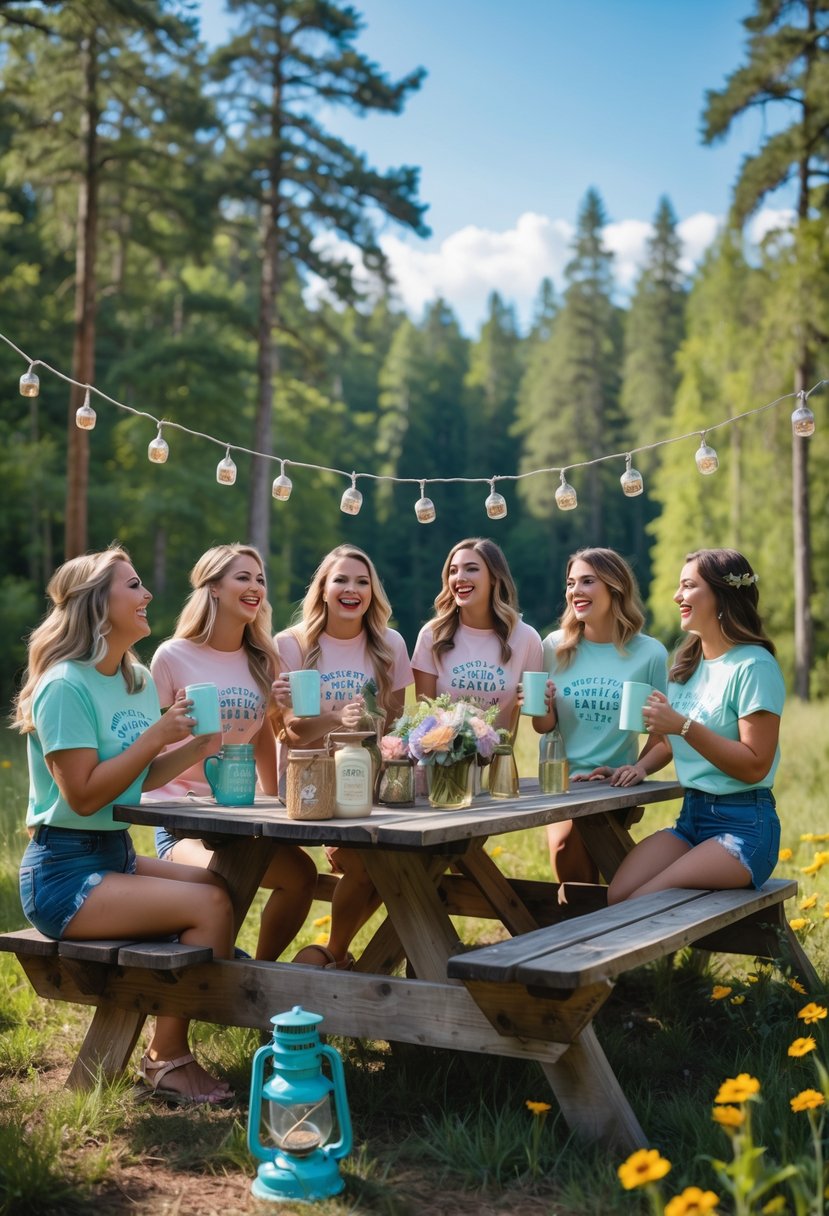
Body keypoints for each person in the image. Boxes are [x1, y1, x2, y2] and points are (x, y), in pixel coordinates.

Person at [13, 546, 235, 1104]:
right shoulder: (65, 685)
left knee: (217, 887)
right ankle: (168, 1060)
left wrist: (193, 748)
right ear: (97, 603)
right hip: (63, 874)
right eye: (134, 585)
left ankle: (197, 1003)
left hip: (112, 853)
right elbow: (85, 794)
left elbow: (133, 777)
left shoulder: (131, 678)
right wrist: (156, 736)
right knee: (208, 910)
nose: (148, 595)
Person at [149, 544, 316, 962]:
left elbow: (263, 737)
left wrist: (275, 801)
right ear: (214, 588)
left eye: (260, 579)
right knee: (219, 883)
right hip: (181, 817)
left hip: (240, 813)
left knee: (301, 875)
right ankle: (218, 973)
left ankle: (260, 973)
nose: (255, 587)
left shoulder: (265, 659)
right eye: (243, 577)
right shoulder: (172, 655)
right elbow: (144, 738)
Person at [607, 548, 783, 904]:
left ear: (721, 595)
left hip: (745, 827)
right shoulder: (687, 665)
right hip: (691, 820)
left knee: (643, 900)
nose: (677, 596)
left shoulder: (753, 666)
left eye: (688, 586)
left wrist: (683, 725)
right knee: (619, 895)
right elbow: (668, 743)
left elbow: (754, 765)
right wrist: (637, 768)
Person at [275, 544, 413, 969]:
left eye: (362, 581)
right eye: (341, 580)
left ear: (373, 592)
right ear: (323, 588)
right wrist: (337, 718)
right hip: (305, 782)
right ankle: (318, 958)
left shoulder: (389, 644)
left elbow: (392, 728)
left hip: (364, 781)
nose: (351, 589)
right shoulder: (293, 643)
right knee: (369, 864)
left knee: (390, 864)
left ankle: (329, 956)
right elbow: (293, 731)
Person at [528, 548, 669, 884]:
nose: (575, 590)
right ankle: (586, 927)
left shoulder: (649, 653)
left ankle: (596, 926)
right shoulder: (554, 646)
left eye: (587, 581)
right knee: (565, 848)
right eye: (571, 583)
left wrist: (638, 769)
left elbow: (664, 738)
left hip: (614, 786)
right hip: (561, 781)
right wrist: (542, 706)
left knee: (595, 861)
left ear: (614, 587)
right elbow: (543, 726)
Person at [411, 537, 543, 736]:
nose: (460, 577)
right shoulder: (432, 635)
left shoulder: (526, 638)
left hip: (500, 763)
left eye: (471, 569)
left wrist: (543, 698)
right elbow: (425, 717)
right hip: (441, 763)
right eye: (453, 571)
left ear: (493, 577)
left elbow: (536, 716)